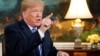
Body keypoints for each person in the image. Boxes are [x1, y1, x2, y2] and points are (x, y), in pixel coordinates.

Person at [4, 0, 69, 56]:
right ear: (24, 14)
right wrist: (40, 32)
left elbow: (49, 50)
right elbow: (18, 51)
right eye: (34, 11)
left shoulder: (44, 31)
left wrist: (58, 53)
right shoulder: (12, 30)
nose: (39, 15)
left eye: (40, 11)